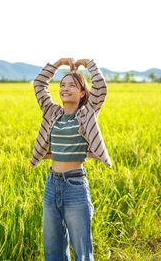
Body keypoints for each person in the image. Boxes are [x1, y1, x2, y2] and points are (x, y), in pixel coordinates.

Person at [30, 57, 112, 261]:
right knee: (53, 249)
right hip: (52, 184)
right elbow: (39, 84)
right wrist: (57, 64)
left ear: (83, 93)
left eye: (72, 85)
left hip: (75, 186)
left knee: (82, 252)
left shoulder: (86, 113)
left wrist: (88, 63)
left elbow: (101, 88)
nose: (65, 89)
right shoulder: (52, 113)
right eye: (62, 85)